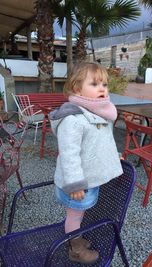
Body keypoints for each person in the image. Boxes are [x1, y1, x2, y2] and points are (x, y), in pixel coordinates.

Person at [49, 62, 123, 264]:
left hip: (87, 180)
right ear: (77, 88)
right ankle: (75, 248)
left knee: (79, 216)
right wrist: (75, 183)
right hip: (78, 183)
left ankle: (77, 238)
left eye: (105, 84)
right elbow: (69, 154)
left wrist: (113, 156)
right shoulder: (73, 119)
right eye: (95, 84)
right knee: (74, 217)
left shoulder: (95, 112)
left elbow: (100, 142)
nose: (102, 88)